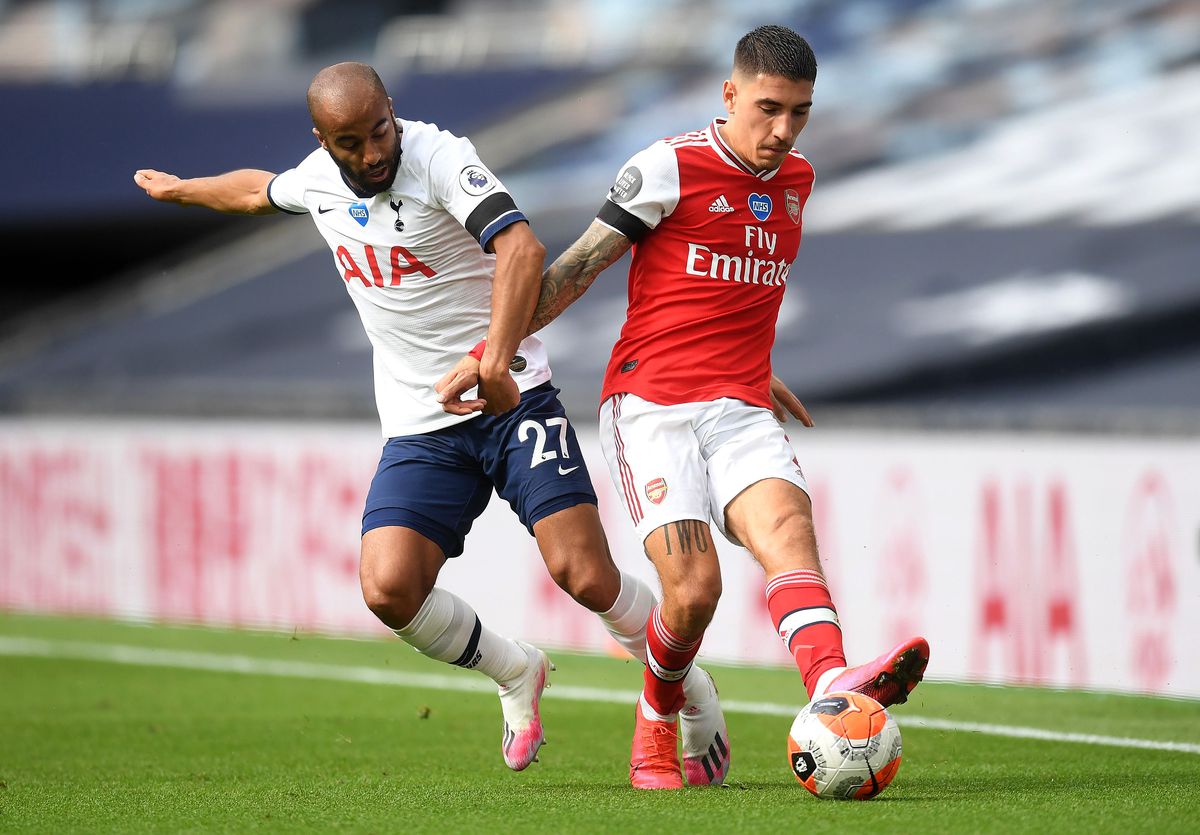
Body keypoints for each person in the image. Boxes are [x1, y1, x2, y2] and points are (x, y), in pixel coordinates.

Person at [133, 61, 730, 782]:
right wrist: (183, 190)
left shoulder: (441, 158)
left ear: (392, 111)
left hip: (513, 398)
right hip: (421, 424)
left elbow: (521, 248)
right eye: (351, 143)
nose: (372, 153)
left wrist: (494, 361)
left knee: (583, 573)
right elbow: (259, 191)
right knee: (388, 588)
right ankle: (515, 670)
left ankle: (691, 690)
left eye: (380, 130)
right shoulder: (318, 181)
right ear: (322, 141)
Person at [438, 26, 930, 790]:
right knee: (695, 592)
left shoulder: (797, 180)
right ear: (730, 94)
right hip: (653, 407)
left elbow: (732, 288)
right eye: (769, 108)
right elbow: (575, 270)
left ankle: (833, 683)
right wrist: (490, 351)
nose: (784, 130)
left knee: (789, 532)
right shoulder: (667, 167)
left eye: (800, 112)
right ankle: (656, 716)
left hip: (740, 403)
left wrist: (757, 368)